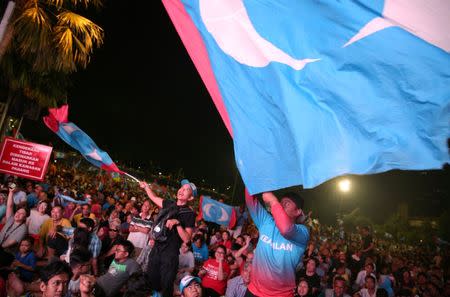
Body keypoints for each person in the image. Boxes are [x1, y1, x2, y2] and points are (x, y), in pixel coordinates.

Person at [244, 190, 309, 297]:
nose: (281, 205)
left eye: (287, 203)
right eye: (281, 202)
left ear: (298, 211)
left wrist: (274, 201)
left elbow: (286, 229)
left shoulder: (303, 232)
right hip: (253, 291)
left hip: (280, 295)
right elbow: (250, 200)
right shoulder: (266, 221)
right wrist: (253, 175)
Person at [139, 179, 196, 297]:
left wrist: (178, 223)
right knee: (151, 281)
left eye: (186, 190)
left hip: (170, 255)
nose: (182, 190)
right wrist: (146, 187)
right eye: (182, 188)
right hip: (156, 249)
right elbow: (154, 198)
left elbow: (187, 239)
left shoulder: (189, 214)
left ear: (190, 198)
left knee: (166, 287)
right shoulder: (169, 204)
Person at [0, 187, 27, 252]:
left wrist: (0, 247)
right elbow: (10, 206)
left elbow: (10, 243)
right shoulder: (11, 219)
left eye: (21, 214)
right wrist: (11, 192)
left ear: (24, 218)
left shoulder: (23, 228)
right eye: (17, 212)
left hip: (6, 252)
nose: (18, 214)